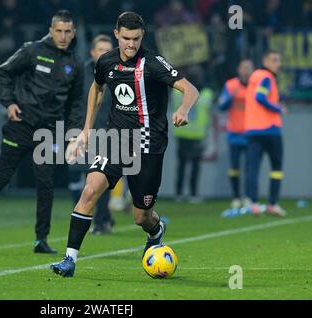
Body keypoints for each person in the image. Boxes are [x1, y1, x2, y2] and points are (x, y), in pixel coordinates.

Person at [50, 12, 199, 277]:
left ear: (142, 36)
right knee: (89, 190)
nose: (131, 44)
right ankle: (69, 260)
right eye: (126, 38)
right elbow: (97, 89)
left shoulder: (153, 63)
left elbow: (190, 89)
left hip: (149, 144)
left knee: (141, 216)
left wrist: (184, 110)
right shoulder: (106, 61)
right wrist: (86, 129)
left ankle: (156, 230)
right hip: (116, 140)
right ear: (116, 34)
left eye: (137, 39)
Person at [0, 10, 84, 254]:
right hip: (21, 125)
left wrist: (71, 134)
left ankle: (41, 240)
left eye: (67, 32)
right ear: (51, 31)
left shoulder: (75, 64)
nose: (62, 36)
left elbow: (76, 102)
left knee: (46, 184)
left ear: (73, 33)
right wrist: (8, 103)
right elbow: (3, 72)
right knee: (2, 179)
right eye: (58, 31)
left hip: (48, 131)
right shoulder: (32, 51)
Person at [68, 34, 115, 235]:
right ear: (92, 52)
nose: (104, 53)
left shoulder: (118, 73)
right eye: (101, 50)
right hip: (80, 131)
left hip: (107, 132)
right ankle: (81, 214)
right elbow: (71, 103)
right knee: (75, 175)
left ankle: (101, 220)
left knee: (101, 178)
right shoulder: (80, 73)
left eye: (108, 50)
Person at [244, 50, 286, 216]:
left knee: (253, 168)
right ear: (265, 61)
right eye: (275, 60)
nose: (278, 63)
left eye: (279, 60)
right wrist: (279, 108)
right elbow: (260, 97)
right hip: (270, 129)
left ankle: (253, 203)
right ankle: (272, 204)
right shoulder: (267, 77)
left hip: (252, 129)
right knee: (276, 167)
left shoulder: (254, 76)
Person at [172, 65, 213, 203]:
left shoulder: (179, 92)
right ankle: (188, 194)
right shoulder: (206, 93)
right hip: (190, 134)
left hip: (189, 133)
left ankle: (185, 193)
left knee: (187, 166)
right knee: (188, 166)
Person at [218, 59, 254, 208]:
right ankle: (236, 197)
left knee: (250, 168)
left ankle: (248, 197)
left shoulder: (256, 86)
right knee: (234, 167)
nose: (246, 70)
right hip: (234, 132)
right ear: (239, 69)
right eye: (244, 67)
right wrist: (231, 97)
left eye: (249, 68)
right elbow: (222, 106)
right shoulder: (231, 85)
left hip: (251, 132)